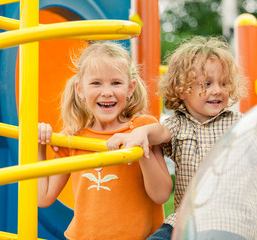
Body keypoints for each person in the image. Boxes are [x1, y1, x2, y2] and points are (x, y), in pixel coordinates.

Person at [106, 36, 246, 239]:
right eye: (206, 84)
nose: (217, 90)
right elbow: (158, 132)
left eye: (224, 83)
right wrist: (140, 133)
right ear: (182, 89)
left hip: (229, 220)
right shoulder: (178, 124)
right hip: (185, 220)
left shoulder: (238, 123)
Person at [38, 41, 172, 240]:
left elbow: (161, 195)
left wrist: (140, 143)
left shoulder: (142, 128)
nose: (107, 92)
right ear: (80, 89)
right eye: (96, 83)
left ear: (130, 88)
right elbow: (44, 197)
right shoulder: (74, 136)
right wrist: (39, 147)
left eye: (116, 83)